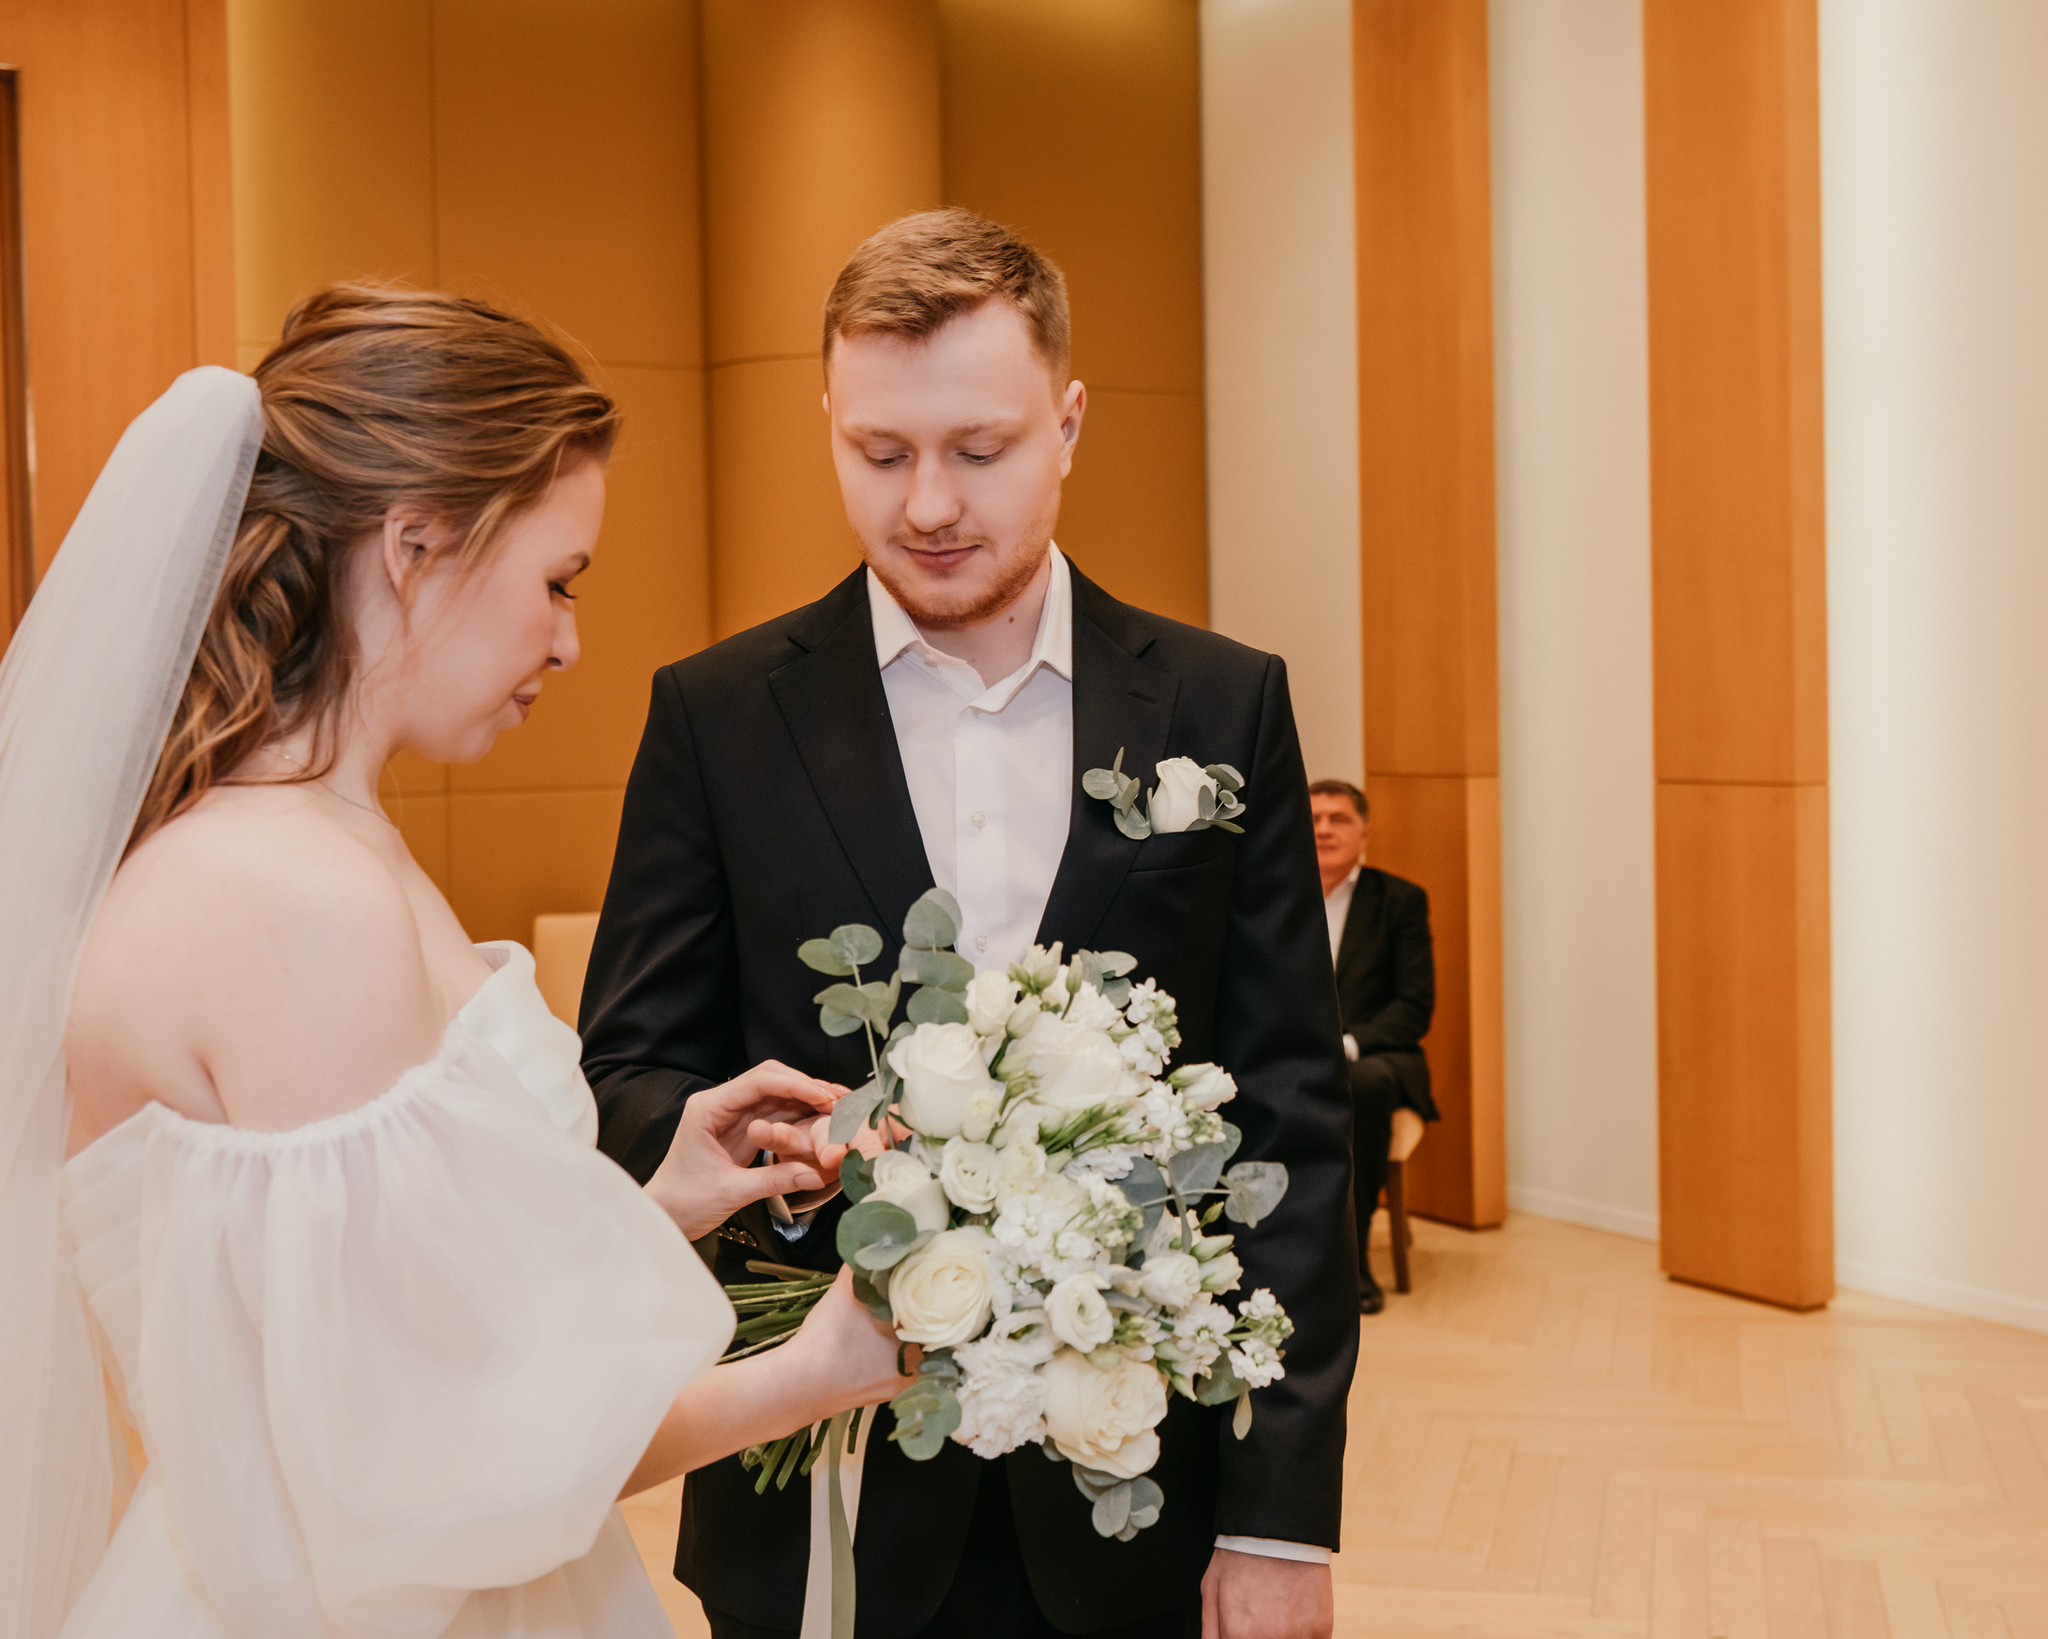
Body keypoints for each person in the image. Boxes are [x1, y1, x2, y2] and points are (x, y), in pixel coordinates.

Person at [0, 286, 909, 1639]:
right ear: (417, 543)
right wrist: (826, 1363)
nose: (568, 638)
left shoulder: (314, 845)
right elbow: (411, 1478)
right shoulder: (292, 895)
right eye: (556, 578)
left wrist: (653, 1206)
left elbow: (378, 1328)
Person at [580, 209, 1356, 1639]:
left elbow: (1293, 1119)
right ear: (828, 424)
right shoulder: (718, 716)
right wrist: (787, 1162)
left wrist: (1280, 1515)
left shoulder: (1218, 702)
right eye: (879, 452)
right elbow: (632, 1073)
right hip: (820, 1488)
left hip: (1140, 1488)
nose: (928, 502)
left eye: (980, 449)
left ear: (1068, 422)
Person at [1307, 782, 1438, 1314]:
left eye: (1339, 818)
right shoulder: (1272, 898)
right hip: (1291, 1051)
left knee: (1362, 1085)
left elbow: (1414, 1006)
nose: (1323, 829)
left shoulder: (1400, 901)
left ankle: (1351, 1262)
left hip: (1373, 1056)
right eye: (1313, 818)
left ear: (1364, 831)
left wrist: (1349, 1044)